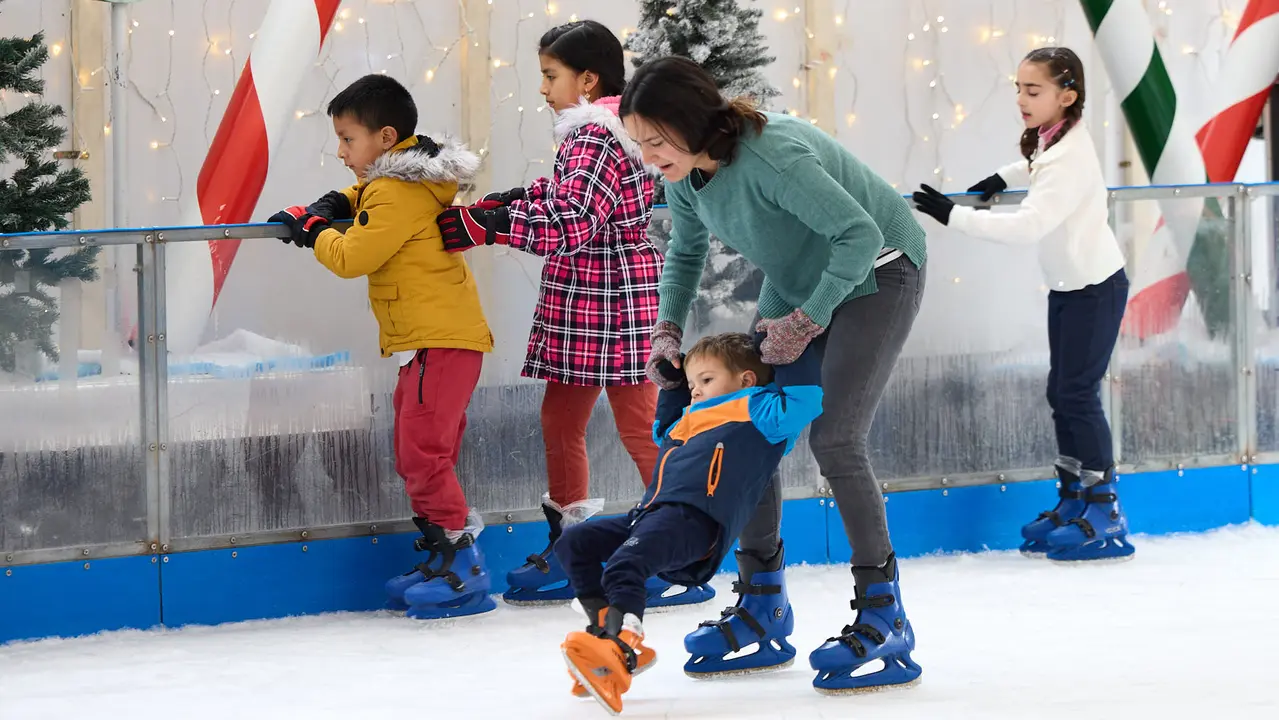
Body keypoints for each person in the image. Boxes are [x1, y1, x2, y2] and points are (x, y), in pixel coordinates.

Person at [619, 56, 927, 694]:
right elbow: (684, 249)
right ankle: (763, 604)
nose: (647, 156)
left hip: (880, 270)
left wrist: (810, 319)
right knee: (743, 425)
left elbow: (859, 233)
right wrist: (668, 329)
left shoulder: (774, 155)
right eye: (638, 142)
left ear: (690, 122)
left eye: (655, 140)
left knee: (836, 439)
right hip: (797, 286)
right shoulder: (687, 173)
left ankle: (884, 612)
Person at [436, 21, 711, 608]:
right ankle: (573, 545)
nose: (542, 88)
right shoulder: (605, 133)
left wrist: (491, 225)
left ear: (587, 80)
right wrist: (516, 201)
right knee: (564, 419)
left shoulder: (594, 137)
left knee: (640, 425)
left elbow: (574, 220)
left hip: (606, 297)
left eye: (550, 75)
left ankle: (677, 551)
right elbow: (570, 198)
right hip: (595, 296)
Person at [267, 74, 496, 619]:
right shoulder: (405, 182)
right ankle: (444, 554)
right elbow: (373, 195)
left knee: (423, 454)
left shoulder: (395, 190)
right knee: (416, 451)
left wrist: (312, 227)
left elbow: (352, 258)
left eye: (348, 139)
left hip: (438, 341)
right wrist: (332, 201)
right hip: (432, 341)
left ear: (386, 138)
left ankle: (462, 567)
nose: (341, 151)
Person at [911, 47, 1133, 563]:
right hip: (1070, 285)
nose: (1021, 99)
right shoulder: (1053, 142)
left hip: (1095, 289)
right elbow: (1035, 163)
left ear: (1067, 96)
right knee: (1063, 392)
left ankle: (1104, 508)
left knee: (1077, 394)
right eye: (1018, 88)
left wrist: (953, 217)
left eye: (1033, 91)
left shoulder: (1069, 155)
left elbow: (1028, 225)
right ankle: (1074, 498)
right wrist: (1002, 177)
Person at [556, 332, 823, 714]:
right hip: (650, 515)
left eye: (706, 380)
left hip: (695, 522)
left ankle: (621, 645)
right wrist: (672, 384)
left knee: (624, 566)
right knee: (573, 543)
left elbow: (805, 400)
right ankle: (606, 629)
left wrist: (791, 352)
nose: (695, 390)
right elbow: (661, 432)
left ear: (746, 380)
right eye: (693, 382)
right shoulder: (691, 417)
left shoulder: (760, 411)